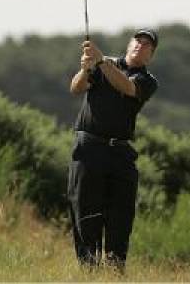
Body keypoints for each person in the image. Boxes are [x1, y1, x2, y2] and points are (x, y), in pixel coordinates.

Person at [67, 28, 159, 273]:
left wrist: (100, 61)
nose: (141, 46)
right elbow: (76, 88)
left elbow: (127, 87)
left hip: (119, 154)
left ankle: (115, 272)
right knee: (85, 212)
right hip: (88, 149)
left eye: (147, 45)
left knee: (120, 217)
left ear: (151, 55)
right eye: (138, 41)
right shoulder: (101, 64)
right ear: (129, 45)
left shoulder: (147, 81)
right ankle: (89, 272)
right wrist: (87, 68)